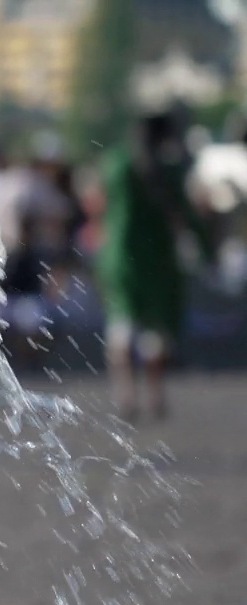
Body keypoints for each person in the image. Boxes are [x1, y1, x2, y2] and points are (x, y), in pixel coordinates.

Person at [97, 112, 214, 421]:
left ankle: (125, 394)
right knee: (155, 331)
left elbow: (99, 204)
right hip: (159, 263)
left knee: (121, 324)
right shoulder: (170, 171)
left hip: (120, 257)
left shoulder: (117, 165)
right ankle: (154, 394)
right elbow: (187, 215)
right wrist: (206, 251)